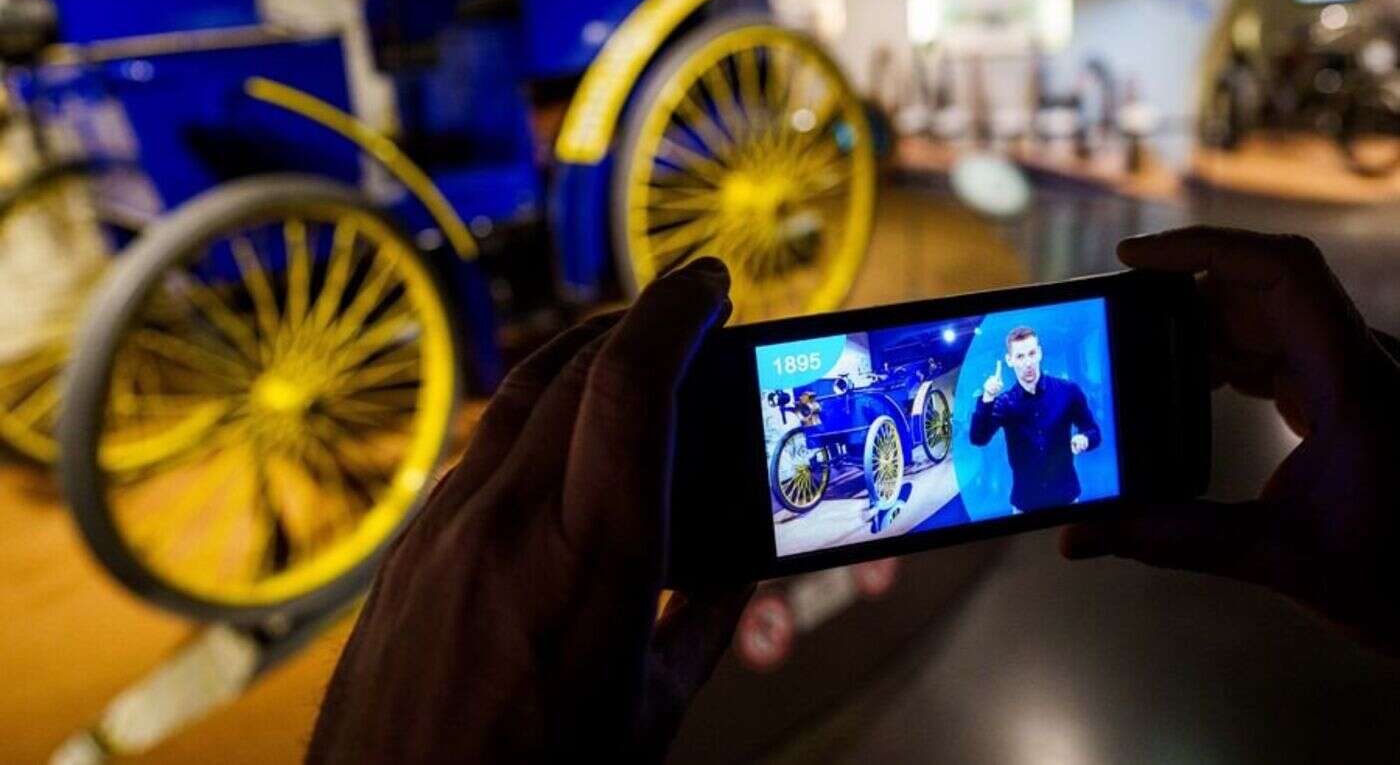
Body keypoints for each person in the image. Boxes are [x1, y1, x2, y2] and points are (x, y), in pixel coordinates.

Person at [310, 228, 1400, 761]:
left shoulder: (1067, 384)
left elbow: (1061, 422)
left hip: (1052, 477)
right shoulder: (997, 389)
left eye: (1025, 357)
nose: (1022, 364)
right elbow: (967, 423)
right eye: (1013, 356)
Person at [968, 326, 1101, 512]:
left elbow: (1094, 432)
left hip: (1067, 497)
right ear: (1010, 360)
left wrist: (1085, 439)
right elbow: (978, 438)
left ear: (1039, 353)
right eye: (1020, 356)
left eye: (1031, 353)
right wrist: (988, 397)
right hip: (1025, 505)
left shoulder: (1068, 391)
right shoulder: (1004, 403)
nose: (1027, 363)